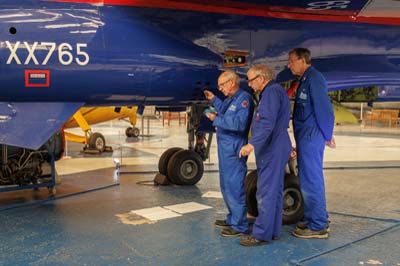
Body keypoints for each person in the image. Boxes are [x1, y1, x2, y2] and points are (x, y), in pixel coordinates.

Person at [239, 65, 292, 246]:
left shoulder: (270, 93)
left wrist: (251, 144)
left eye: (251, 80)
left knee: (266, 192)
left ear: (261, 78)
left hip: (272, 146)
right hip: (277, 144)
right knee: (275, 190)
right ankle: (272, 230)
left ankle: (261, 234)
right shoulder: (274, 92)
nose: (250, 84)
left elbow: (267, 123)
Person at [287, 47, 335, 239]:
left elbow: (324, 109)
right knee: (307, 179)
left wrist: (327, 134)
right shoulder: (305, 80)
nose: (289, 64)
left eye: (291, 61)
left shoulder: (314, 79)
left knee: (311, 180)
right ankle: (314, 217)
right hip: (305, 136)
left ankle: (318, 226)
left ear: (302, 60)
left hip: (311, 136)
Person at [203, 71, 254, 237]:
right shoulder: (231, 99)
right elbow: (224, 109)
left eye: (222, 85)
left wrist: (215, 119)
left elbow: (239, 123)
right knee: (225, 186)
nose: (220, 88)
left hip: (234, 148)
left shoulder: (244, 99)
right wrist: (212, 99)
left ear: (232, 82)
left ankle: (239, 225)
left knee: (234, 186)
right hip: (225, 149)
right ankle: (233, 218)